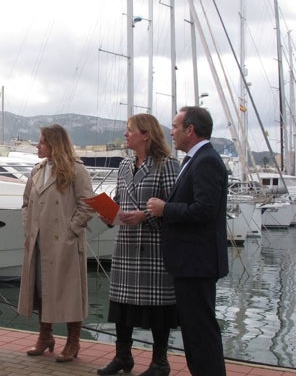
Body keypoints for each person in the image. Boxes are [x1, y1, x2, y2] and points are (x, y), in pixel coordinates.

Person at [147, 106, 228, 376]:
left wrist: (165, 209)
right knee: (194, 331)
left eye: (175, 126)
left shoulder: (206, 161)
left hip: (197, 263)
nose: (171, 131)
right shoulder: (193, 160)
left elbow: (205, 209)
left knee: (201, 331)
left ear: (190, 130)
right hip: (189, 263)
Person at [97, 114, 180, 376]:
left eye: (129, 130)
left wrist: (146, 216)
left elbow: (174, 208)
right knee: (122, 307)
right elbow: (120, 201)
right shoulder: (123, 166)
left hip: (153, 247)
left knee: (158, 307)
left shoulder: (167, 165)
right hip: (126, 246)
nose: (125, 134)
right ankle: (123, 357)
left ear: (146, 134)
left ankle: (160, 363)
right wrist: (108, 215)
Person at [17, 124, 95, 363]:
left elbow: (88, 204)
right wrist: (29, 228)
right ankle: (45, 336)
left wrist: (71, 230)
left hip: (65, 244)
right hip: (39, 241)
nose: (37, 145)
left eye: (41, 141)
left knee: (70, 292)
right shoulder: (37, 171)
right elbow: (26, 203)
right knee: (41, 288)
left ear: (54, 144)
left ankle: (73, 341)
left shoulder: (76, 170)